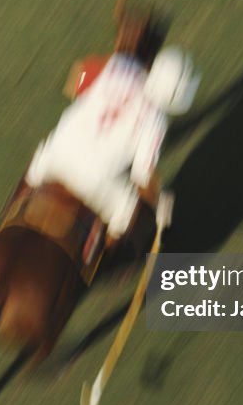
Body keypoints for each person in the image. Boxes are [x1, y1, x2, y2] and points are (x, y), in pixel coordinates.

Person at [24, 46, 200, 258]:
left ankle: (12, 213)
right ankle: (96, 257)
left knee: (31, 177)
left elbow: (78, 80)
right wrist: (159, 204)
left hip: (55, 152)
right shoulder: (156, 121)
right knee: (125, 213)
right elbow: (142, 175)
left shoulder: (121, 65)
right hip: (92, 180)